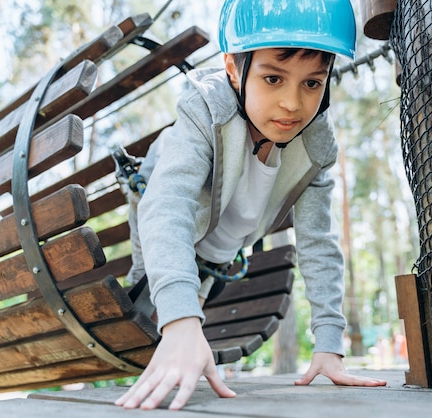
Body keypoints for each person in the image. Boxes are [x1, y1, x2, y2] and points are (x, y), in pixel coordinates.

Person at [115, 0, 387, 411]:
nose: (293, 104)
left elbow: (319, 243)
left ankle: (189, 351)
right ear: (232, 69)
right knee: (148, 306)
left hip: (218, 249)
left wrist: (330, 344)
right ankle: (171, 348)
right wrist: (181, 321)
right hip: (166, 219)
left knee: (194, 304)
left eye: (312, 83)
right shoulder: (206, 111)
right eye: (273, 79)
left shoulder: (315, 146)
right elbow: (167, 206)